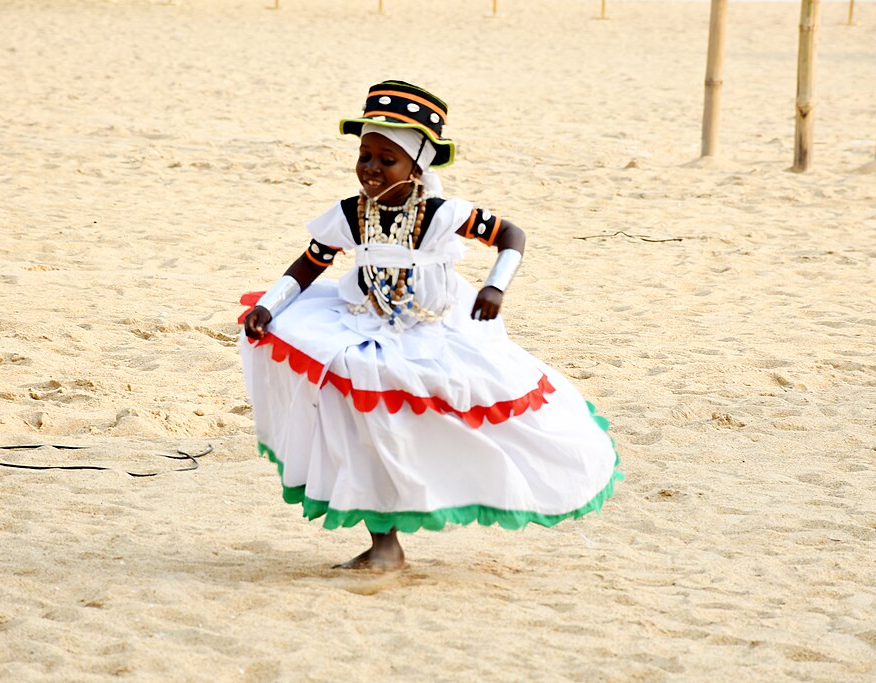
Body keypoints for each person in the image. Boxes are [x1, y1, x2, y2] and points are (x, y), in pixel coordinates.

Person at [240, 81, 621, 571]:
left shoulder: (442, 214)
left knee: (442, 419)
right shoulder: (352, 214)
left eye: (387, 159)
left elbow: (511, 234)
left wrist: (495, 286)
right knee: (360, 426)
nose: (371, 168)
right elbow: (312, 261)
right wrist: (270, 306)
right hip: (360, 327)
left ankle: (457, 490)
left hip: (433, 333)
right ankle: (384, 543)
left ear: (416, 167)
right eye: (364, 156)